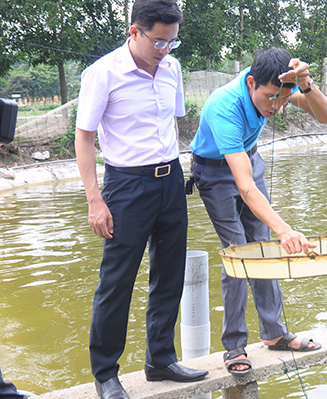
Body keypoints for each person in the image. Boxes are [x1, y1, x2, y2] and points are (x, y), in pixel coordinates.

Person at [75, 1, 207, 398]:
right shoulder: (103, 73)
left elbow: (170, 122)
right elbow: (84, 137)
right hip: (126, 186)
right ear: (135, 31)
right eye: (157, 41)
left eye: (172, 42)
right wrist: (94, 200)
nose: (164, 50)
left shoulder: (172, 68)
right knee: (117, 281)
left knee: (170, 273)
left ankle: (160, 359)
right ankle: (105, 374)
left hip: (170, 180)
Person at [189, 47, 327, 375]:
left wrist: (306, 84)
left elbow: (325, 117)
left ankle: (275, 333)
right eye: (270, 98)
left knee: (265, 248)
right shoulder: (224, 105)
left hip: (248, 159)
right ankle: (234, 345)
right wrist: (286, 229)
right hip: (215, 171)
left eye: (283, 99)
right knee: (239, 253)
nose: (276, 107)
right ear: (251, 83)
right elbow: (244, 187)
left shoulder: (278, 86)